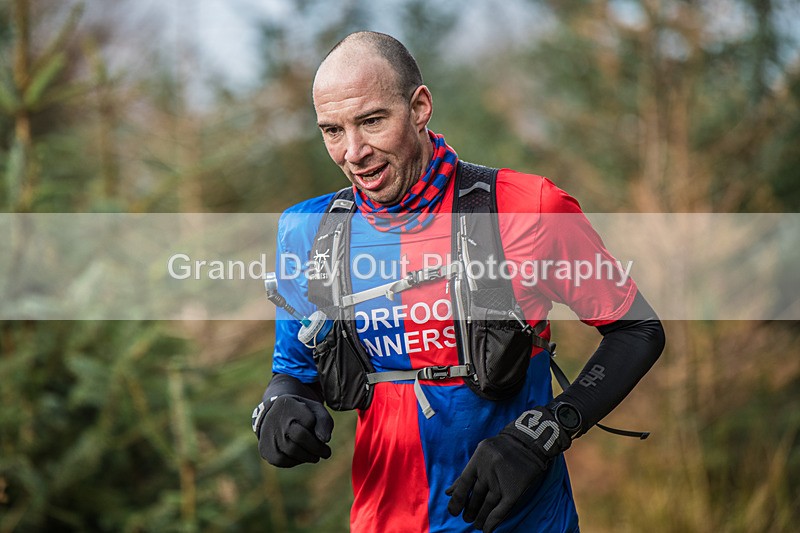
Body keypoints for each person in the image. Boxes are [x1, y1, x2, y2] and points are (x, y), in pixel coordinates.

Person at [252, 31, 665, 533]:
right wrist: (280, 407)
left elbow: (636, 329)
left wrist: (544, 432)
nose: (353, 152)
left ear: (419, 108)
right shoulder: (307, 230)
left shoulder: (526, 207)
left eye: (372, 121)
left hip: (523, 523)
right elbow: (294, 373)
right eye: (332, 131)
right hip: (381, 521)